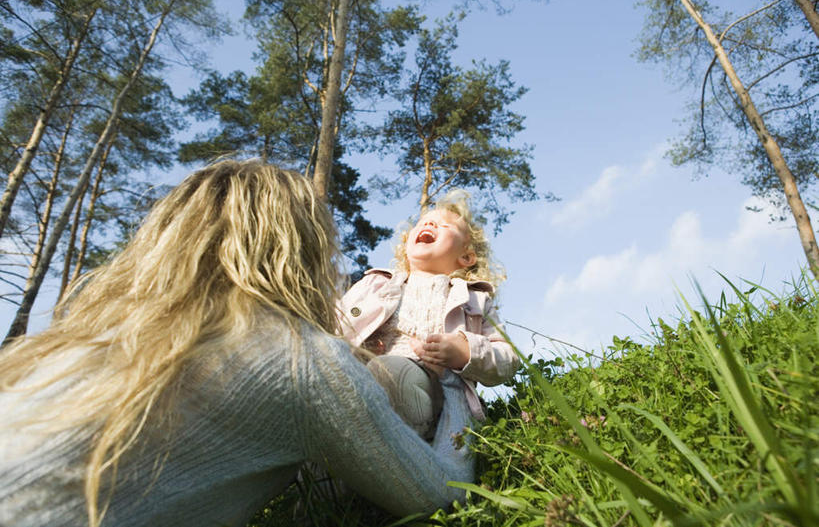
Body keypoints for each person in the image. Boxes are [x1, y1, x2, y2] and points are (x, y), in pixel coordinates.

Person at [0, 160, 473, 527]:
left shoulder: (87, 338)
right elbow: (439, 493)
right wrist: (453, 391)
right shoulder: (301, 360)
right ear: (299, 250)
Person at [339, 190, 519, 440]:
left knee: (391, 374)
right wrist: (361, 348)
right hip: (360, 381)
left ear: (466, 256)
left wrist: (465, 351)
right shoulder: (376, 284)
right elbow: (336, 326)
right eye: (423, 223)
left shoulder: (475, 300)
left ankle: (405, 459)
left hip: (435, 395)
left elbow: (508, 359)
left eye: (444, 225)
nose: (429, 224)